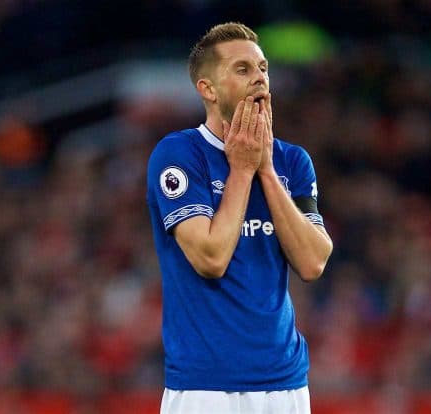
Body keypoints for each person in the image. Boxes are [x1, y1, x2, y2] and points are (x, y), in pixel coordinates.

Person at [146, 22, 333, 414]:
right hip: (206, 386)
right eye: (243, 69)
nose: (260, 79)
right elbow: (211, 259)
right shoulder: (180, 155)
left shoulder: (291, 161)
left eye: (263, 68)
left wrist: (264, 169)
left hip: (286, 384)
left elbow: (313, 261)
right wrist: (243, 171)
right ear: (208, 89)